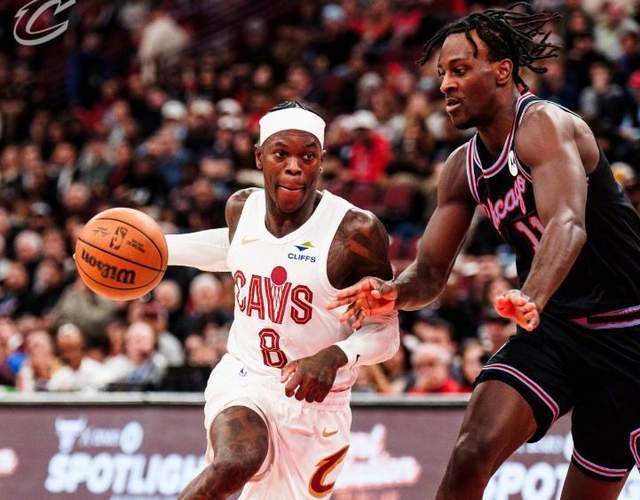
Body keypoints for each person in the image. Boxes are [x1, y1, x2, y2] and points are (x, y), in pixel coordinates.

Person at [329, 5, 640, 500]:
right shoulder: (461, 169)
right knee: (471, 453)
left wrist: (532, 294)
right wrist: (393, 291)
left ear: (502, 71)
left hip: (626, 330)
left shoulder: (545, 124)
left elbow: (568, 223)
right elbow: (430, 272)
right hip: (554, 332)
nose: (446, 85)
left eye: (459, 69)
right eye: (441, 74)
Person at [166, 101, 399, 499]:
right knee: (235, 461)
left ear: (321, 160)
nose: (294, 167)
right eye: (281, 155)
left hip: (316, 405)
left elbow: (386, 334)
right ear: (259, 157)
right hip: (247, 376)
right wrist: (158, 247)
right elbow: (236, 249)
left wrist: (336, 356)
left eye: (307, 156)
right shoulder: (242, 208)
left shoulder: (355, 232)